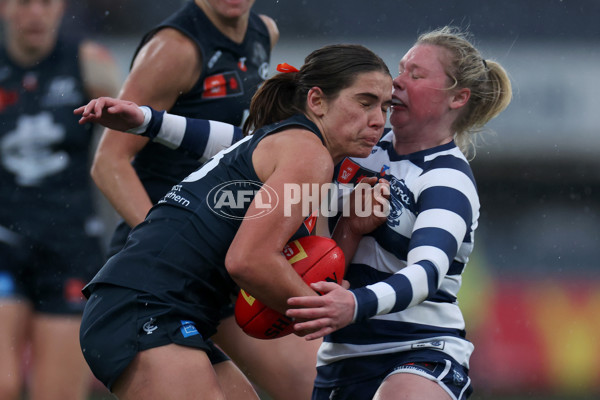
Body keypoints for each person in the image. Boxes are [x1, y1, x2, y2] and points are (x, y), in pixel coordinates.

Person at [76, 43, 393, 400]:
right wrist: (334, 312)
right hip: (145, 306)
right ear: (317, 101)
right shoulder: (309, 154)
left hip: (154, 307)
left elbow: (311, 262)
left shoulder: (293, 146)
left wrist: (349, 228)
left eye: (386, 106)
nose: (379, 119)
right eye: (365, 103)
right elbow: (249, 261)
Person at [89, 1, 322, 398]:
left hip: (230, 260)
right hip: (169, 265)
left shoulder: (264, 32)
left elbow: (241, 144)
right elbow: (109, 162)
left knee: (317, 385)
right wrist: (168, 241)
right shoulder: (176, 47)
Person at [285, 26, 513, 400]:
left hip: (419, 352)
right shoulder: (363, 144)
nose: (397, 82)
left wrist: (357, 302)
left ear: (458, 97)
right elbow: (253, 150)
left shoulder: (447, 178)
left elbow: (426, 274)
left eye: (416, 74)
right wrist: (154, 120)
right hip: (340, 359)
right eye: (401, 69)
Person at [0, 0, 120, 399]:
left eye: (46, 3)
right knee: (4, 383)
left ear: (60, 8)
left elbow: (133, 138)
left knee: (58, 393)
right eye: (23, 3)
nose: (34, 14)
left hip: (69, 244)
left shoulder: (89, 62)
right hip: (4, 240)